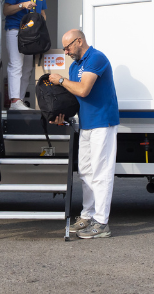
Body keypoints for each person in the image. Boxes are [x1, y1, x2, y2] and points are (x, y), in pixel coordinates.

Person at [49, 29, 118, 239]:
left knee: (100, 172)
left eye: (68, 46)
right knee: (86, 172)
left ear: (79, 41)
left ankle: (102, 222)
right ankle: (87, 216)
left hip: (102, 123)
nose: (66, 51)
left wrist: (60, 81)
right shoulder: (74, 66)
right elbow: (74, 98)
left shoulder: (96, 58)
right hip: (86, 124)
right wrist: (62, 115)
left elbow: (83, 90)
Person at [3, 0, 47, 111]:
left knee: (28, 68)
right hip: (16, 30)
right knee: (16, 64)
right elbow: (6, 10)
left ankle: (19, 101)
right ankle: (14, 101)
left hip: (32, 34)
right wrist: (22, 5)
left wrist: (42, 27)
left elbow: (42, 12)